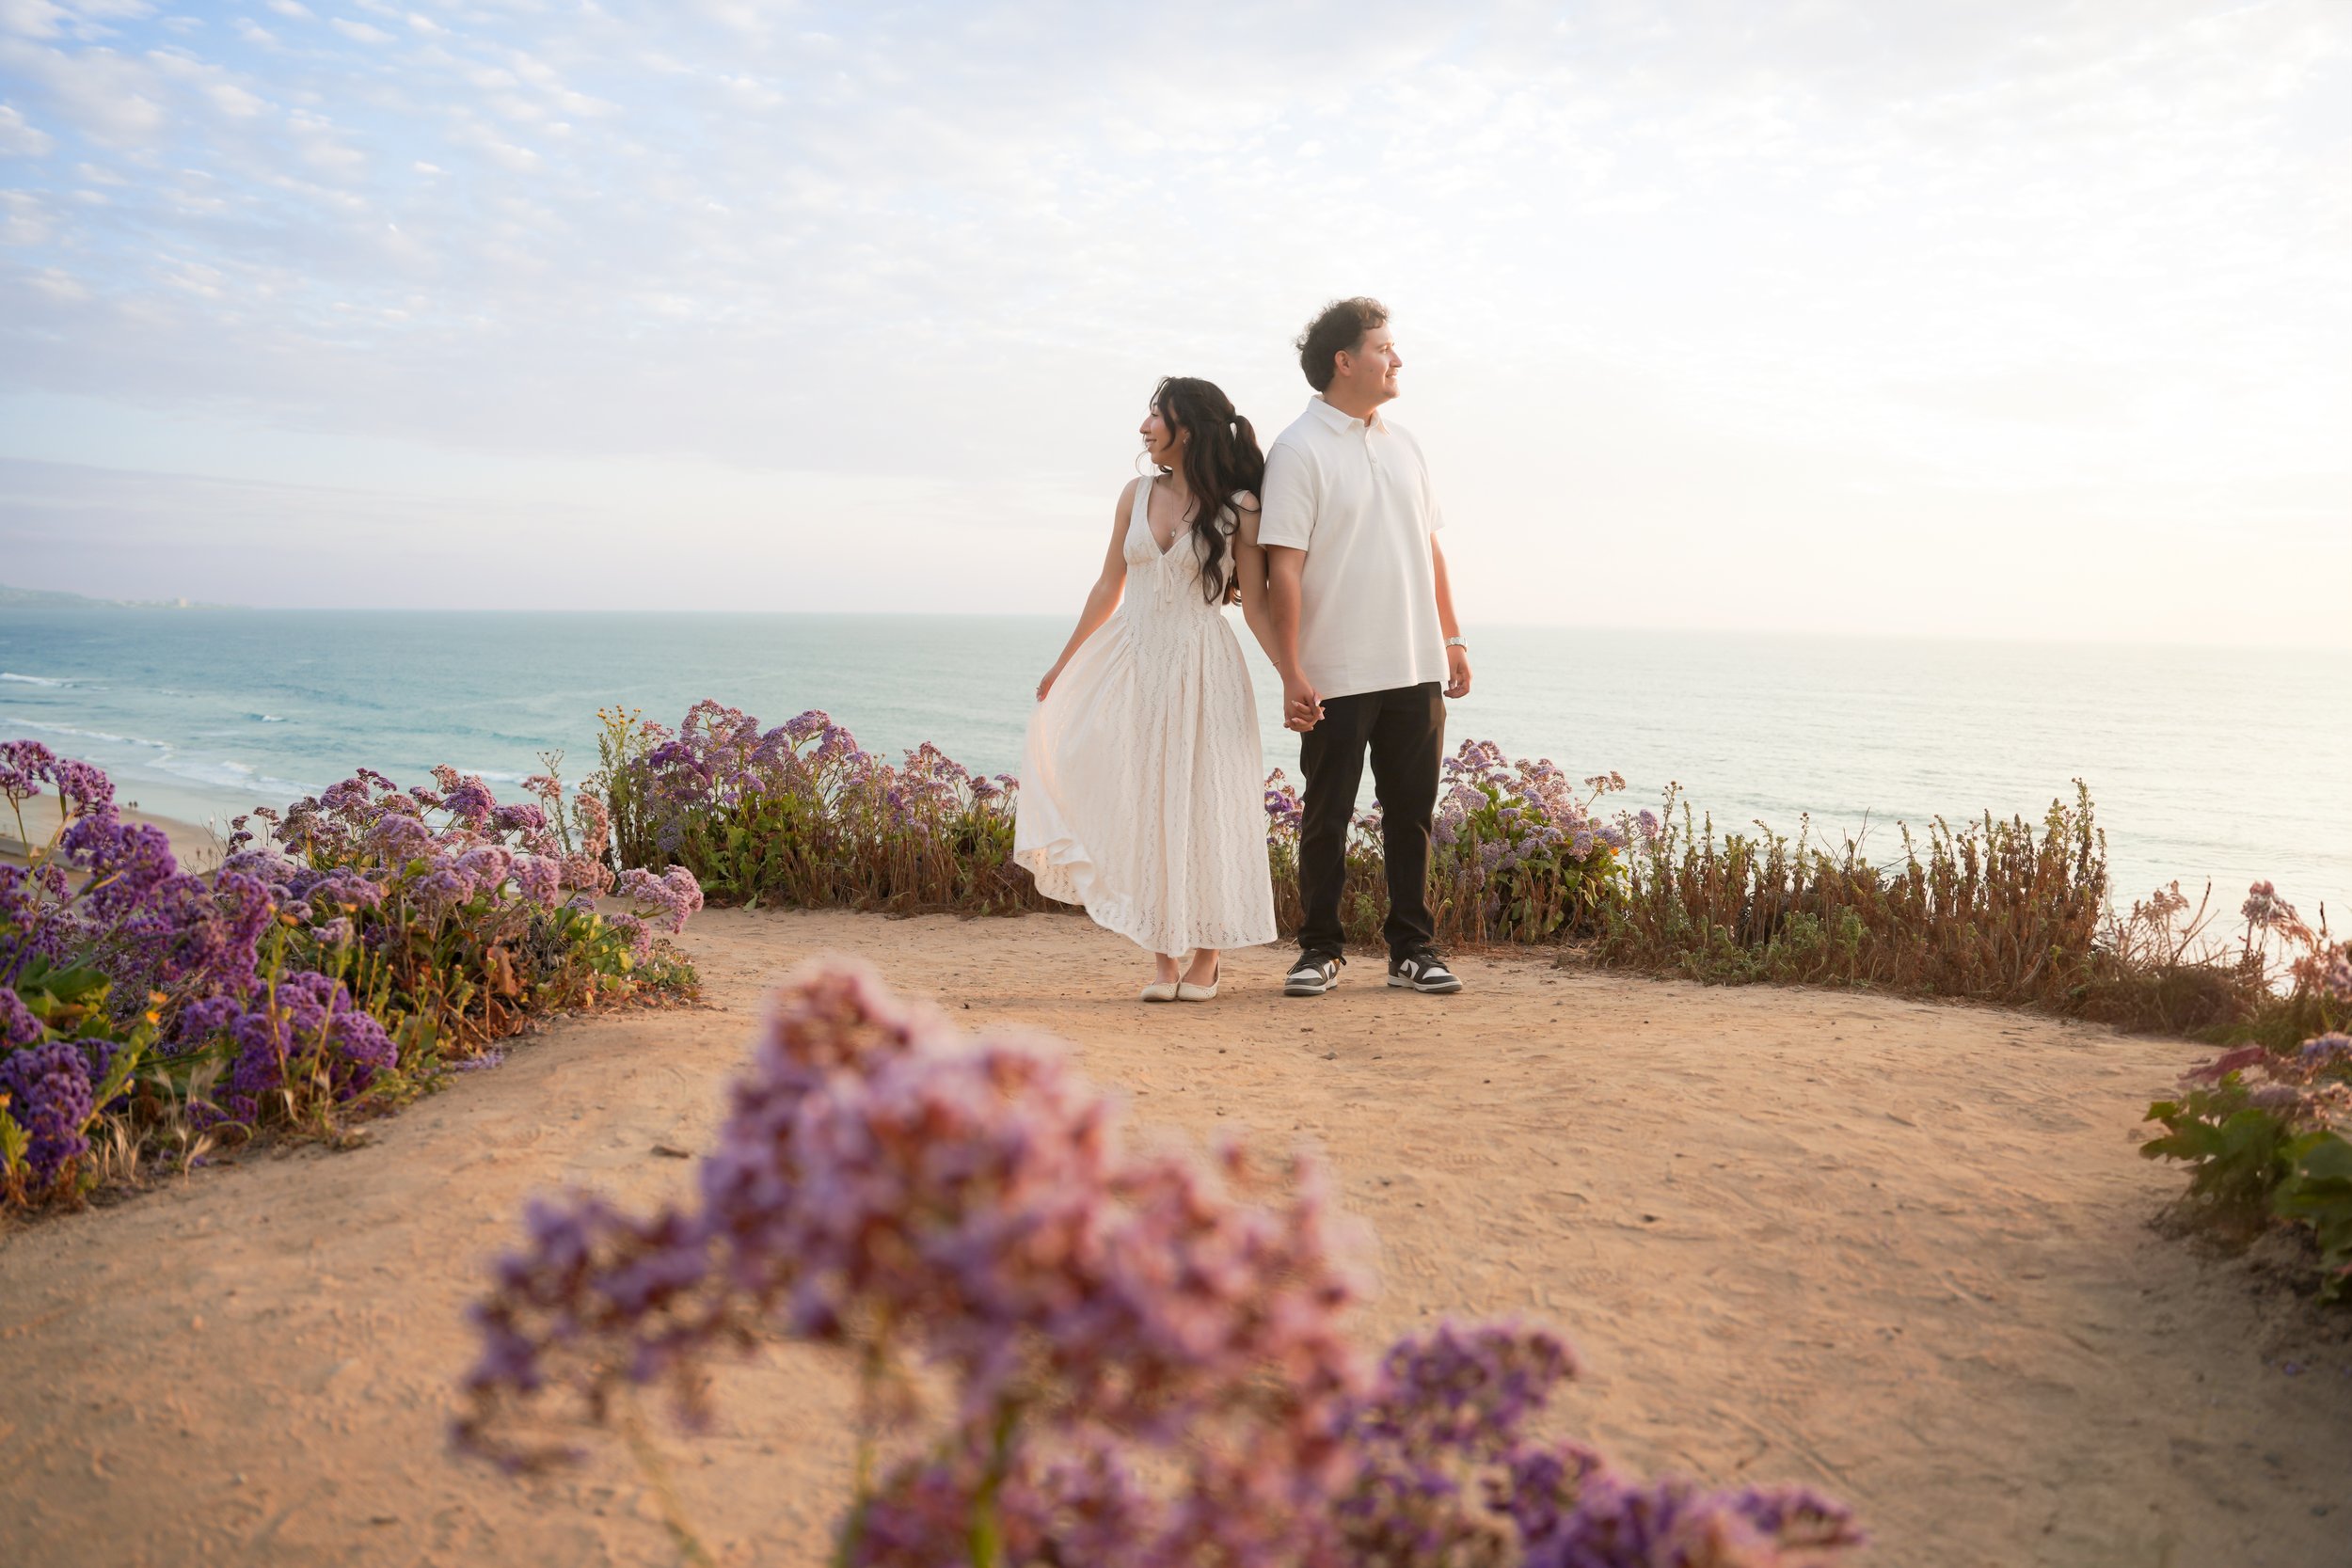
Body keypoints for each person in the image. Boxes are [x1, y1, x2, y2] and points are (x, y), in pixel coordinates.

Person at [1014, 376, 1280, 1001]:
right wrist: (1063, 664)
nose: (1144, 426)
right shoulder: (1134, 495)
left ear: (1185, 426)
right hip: (1135, 661)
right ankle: (1163, 959)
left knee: (1205, 801)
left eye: (1155, 414)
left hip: (1204, 665)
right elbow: (1107, 586)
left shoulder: (1239, 505)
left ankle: (1207, 957)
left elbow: (1261, 607)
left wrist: (1294, 677)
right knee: (1145, 803)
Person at [1258, 297, 1471, 997]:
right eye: (1384, 346)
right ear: (1344, 361)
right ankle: (1318, 948)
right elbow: (1281, 567)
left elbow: (1429, 546)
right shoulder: (1297, 448)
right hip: (1336, 669)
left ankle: (1413, 947)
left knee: (1410, 815)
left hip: (1415, 662)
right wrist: (1292, 670)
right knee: (1327, 814)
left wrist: (1452, 636)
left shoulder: (1406, 443)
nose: (1397, 358)